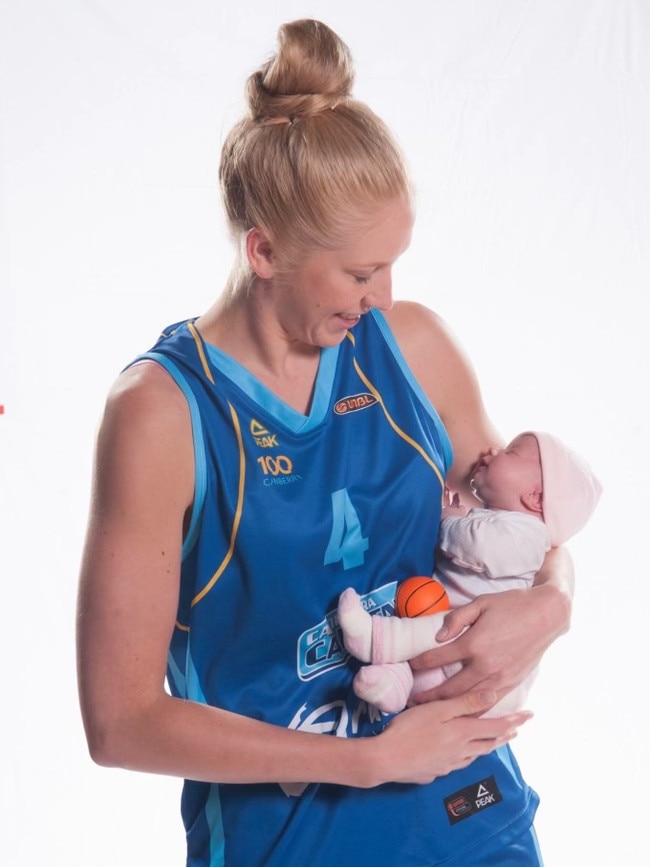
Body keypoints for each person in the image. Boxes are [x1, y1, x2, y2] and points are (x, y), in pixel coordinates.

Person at [76, 19, 576, 866]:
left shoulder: (413, 348)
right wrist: (367, 762)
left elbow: (534, 524)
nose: (381, 298)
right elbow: (119, 721)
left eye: (391, 263)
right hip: (293, 838)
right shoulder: (162, 413)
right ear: (263, 250)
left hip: (470, 808)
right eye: (357, 272)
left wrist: (551, 604)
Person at [338, 431, 601, 717]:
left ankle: (375, 639)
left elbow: (478, 546)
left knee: (444, 627)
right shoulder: (495, 519)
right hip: (447, 662)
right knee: (424, 653)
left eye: (510, 452)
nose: (492, 449)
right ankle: (394, 685)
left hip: (472, 645)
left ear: (535, 497)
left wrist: (450, 520)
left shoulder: (528, 533)